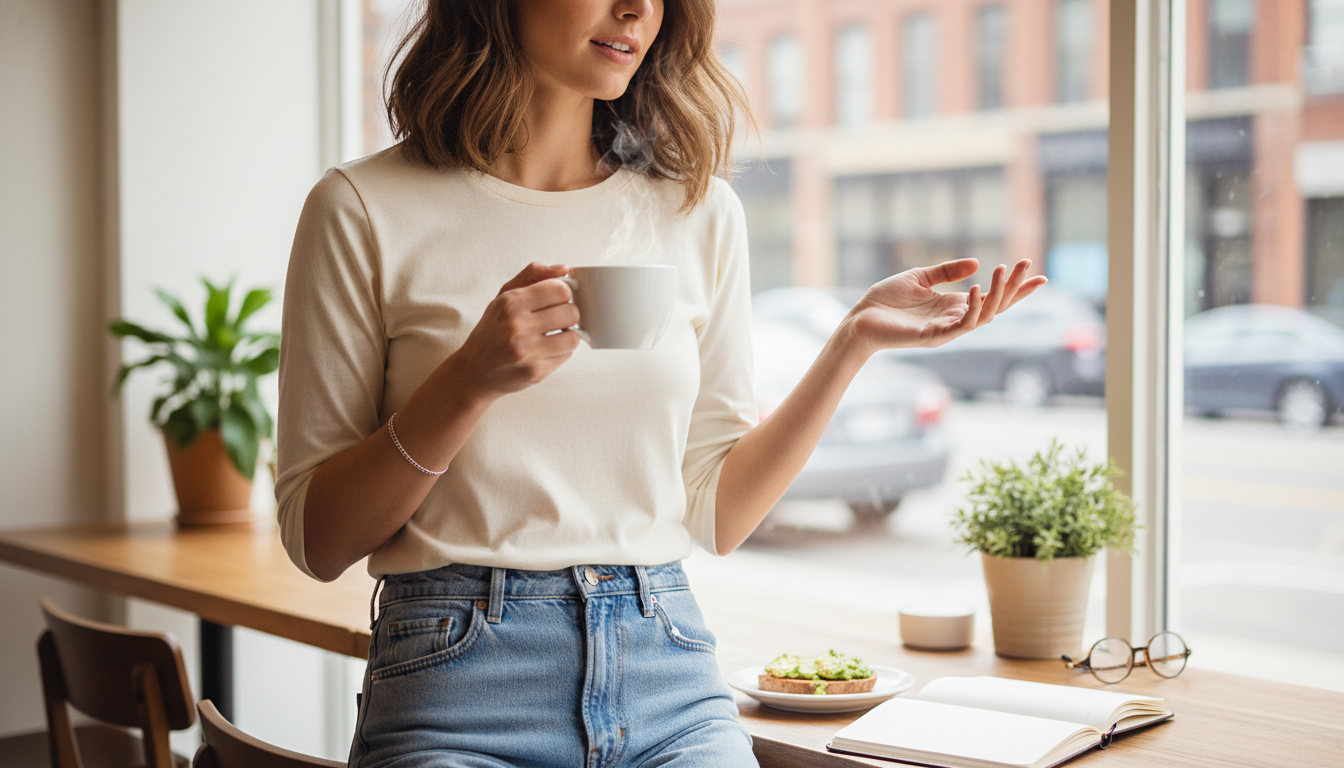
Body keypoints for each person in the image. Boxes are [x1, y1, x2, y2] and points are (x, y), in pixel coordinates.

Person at [275, 0, 1046, 766]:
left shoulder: (699, 209)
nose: (639, 8)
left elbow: (716, 513)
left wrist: (851, 344)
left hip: (666, 668)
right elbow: (320, 540)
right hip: (456, 690)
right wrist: (467, 384)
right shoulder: (363, 209)